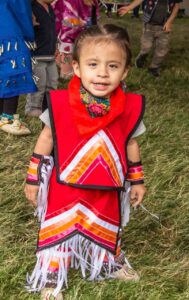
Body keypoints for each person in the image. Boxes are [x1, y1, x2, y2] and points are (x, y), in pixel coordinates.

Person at [24, 24, 146, 300]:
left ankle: (106, 261)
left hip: (107, 190)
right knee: (59, 229)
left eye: (113, 66)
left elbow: (130, 143)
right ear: (76, 67)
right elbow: (46, 139)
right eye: (93, 64)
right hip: (65, 189)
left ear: (125, 71)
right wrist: (34, 177)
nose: (102, 73)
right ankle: (53, 273)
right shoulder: (59, 104)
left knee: (107, 226)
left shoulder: (130, 107)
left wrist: (137, 180)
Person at [0, 0, 37, 135]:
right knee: (13, 71)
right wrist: (28, 33)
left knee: (4, 71)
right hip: (9, 30)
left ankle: (3, 116)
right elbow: (21, 9)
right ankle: (8, 117)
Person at [119, 0, 182, 77]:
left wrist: (170, 21)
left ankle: (154, 68)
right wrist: (129, 7)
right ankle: (142, 56)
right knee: (146, 47)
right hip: (149, 25)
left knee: (162, 49)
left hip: (164, 27)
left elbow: (176, 6)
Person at [25, 0, 58, 117]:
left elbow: (52, 30)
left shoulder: (50, 8)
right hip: (37, 54)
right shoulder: (30, 7)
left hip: (49, 54)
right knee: (39, 83)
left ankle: (47, 106)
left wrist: (56, 45)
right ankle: (32, 108)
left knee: (52, 82)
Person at [52, 0, 99, 79]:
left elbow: (95, 21)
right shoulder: (71, 2)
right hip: (68, 37)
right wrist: (80, 23)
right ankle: (59, 61)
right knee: (66, 76)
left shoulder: (94, 2)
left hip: (84, 37)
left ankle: (60, 60)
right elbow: (66, 23)